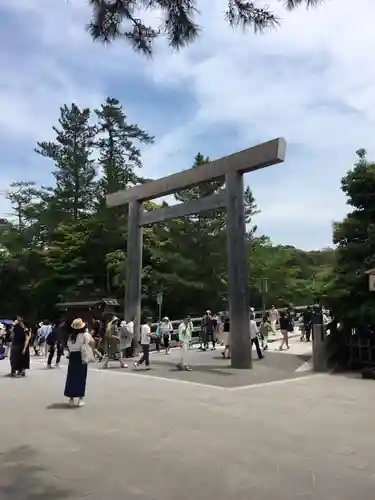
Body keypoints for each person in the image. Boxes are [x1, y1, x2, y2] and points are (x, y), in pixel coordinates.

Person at [64, 318, 95, 407]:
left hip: (73, 357)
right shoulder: (85, 335)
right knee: (81, 378)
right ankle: (80, 399)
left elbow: (69, 347)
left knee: (71, 377)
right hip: (81, 357)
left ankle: (71, 399)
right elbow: (93, 342)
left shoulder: (71, 337)